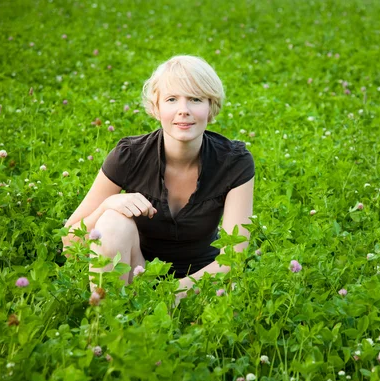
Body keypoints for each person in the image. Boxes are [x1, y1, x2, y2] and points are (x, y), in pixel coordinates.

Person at [61, 55, 255, 299]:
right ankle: (107, 323)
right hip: (139, 276)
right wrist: (106, 206)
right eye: (172, 99)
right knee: (112, 221)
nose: (183, 110)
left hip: (204, 282)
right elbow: (69, 244)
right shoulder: (129, 156)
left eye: (195, 99)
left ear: (211, 106)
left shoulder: (234, 161)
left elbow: (233, 258)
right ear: (157, 107)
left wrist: (170, 294)